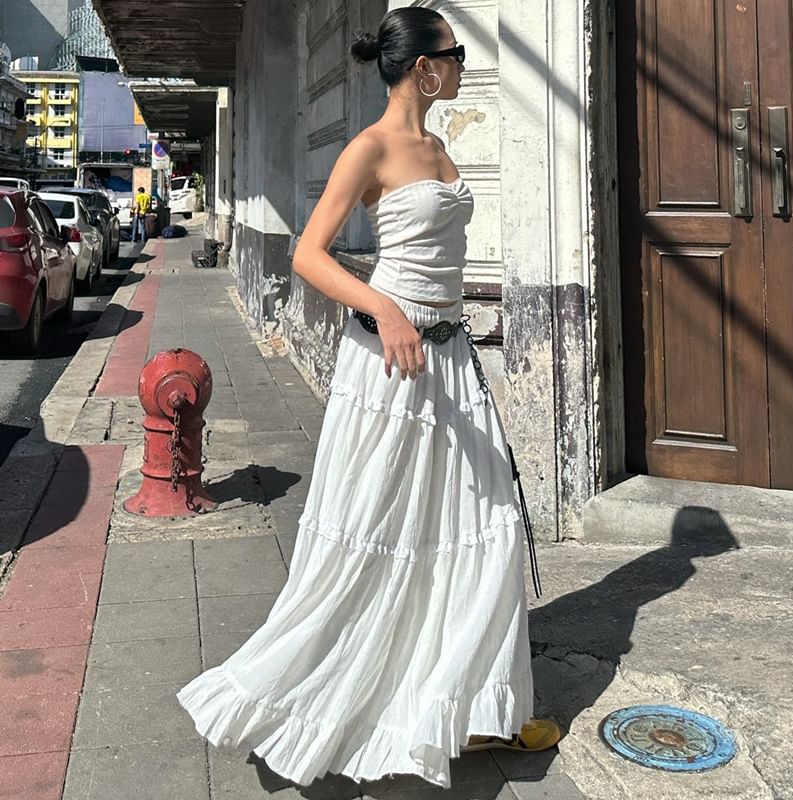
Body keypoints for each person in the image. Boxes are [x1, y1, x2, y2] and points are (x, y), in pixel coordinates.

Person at [177, 6, 561, 789]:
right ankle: (312, 695)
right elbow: (309, 255)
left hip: (447, 360)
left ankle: (473, 704)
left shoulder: (440, 147)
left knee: (478, 528)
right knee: (375, 530)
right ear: (425, 67)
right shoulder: (370, 147)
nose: (462, 66)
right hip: (389, 364)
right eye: (455, 54)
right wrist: (384, 308)